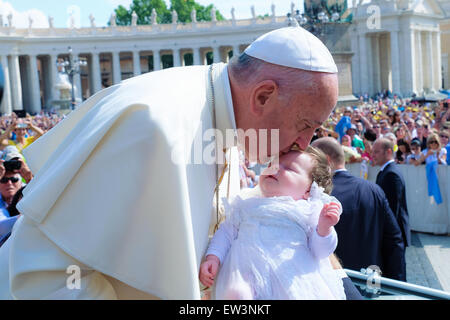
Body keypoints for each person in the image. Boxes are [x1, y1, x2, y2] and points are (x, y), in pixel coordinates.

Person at [0, 26, 340, 299]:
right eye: (305, 125)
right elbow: (48, 274)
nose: (303, 145)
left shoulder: (234, 129)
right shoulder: (150, 123)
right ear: (263, 96)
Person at [199, 148, 346, 299]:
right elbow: (225, 233)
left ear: (309, 190)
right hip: (246, 272)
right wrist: (213, 258)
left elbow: (320, 252)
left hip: (289, 274)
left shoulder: (307, 211)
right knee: (236, 293)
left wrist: (324, 229)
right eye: (272, 163)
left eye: (288, 168)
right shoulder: (246, 205)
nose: (275, 167)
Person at [312, 137, 406, 281]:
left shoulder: (317, 194)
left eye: (311, 160)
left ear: (326, 160)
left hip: (331, 282)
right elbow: (394, 241)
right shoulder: (374, 190)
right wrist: (397, 287)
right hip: (369, 281)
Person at [372, 138, 411, 248]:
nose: (373, 155)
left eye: (376, 151)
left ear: (389, 152)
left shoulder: (391, 174)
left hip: (393, 237)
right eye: (372, 151)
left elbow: (392, 210)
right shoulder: (386, 171)